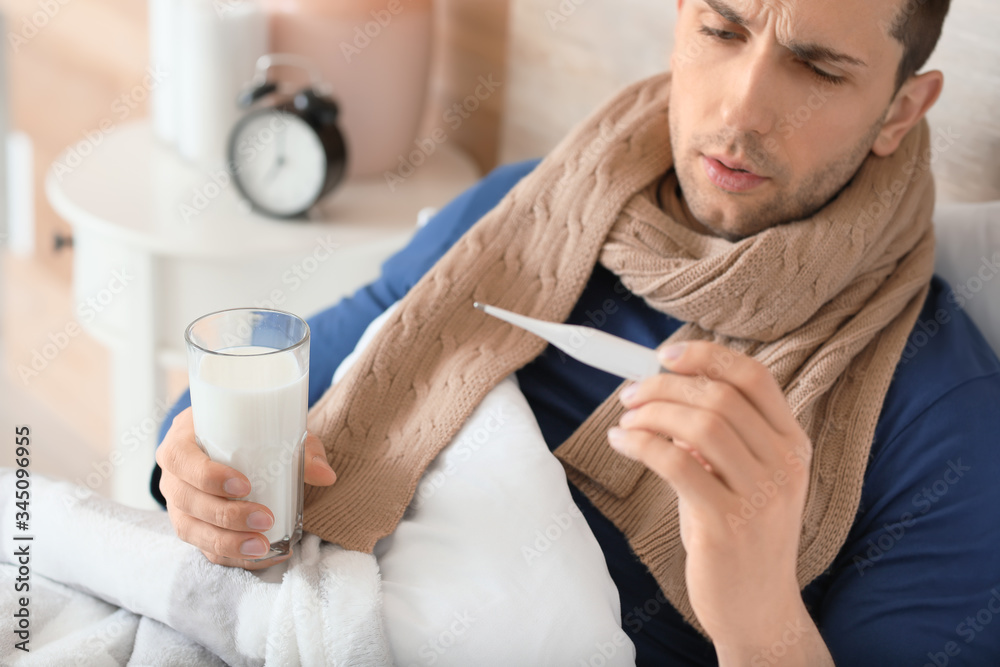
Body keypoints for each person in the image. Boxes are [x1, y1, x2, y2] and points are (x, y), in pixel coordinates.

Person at [152, 0, 1000, 664]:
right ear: (680, 21)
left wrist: (759, 617)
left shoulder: (945, 419)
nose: (744, 109)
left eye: (817, 67)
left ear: (900, 110)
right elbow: (246, 403)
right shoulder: (525, 206)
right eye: (722, 27)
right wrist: (198, 467)